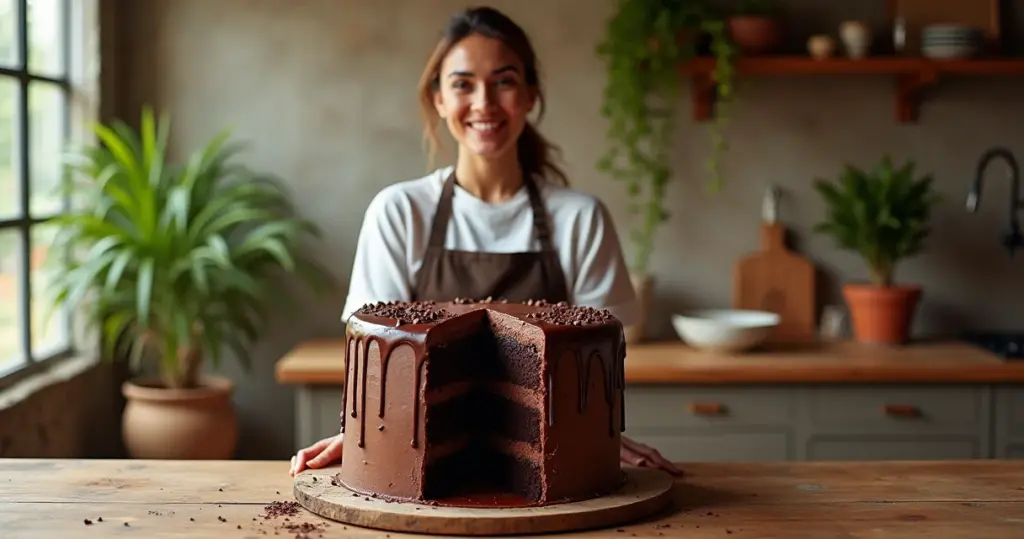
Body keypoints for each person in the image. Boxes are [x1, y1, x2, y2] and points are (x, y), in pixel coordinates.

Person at [289, 6, 681, 478]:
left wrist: (598, 437)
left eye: (505, 81)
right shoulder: (399, 212)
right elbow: (377, 357)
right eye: (462, 84)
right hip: (425, 470)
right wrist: (367, 437)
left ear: (531, 94)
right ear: (437, 98)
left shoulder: (580, 219)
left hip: (550, 472)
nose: (484, 103)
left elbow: (599, 364)